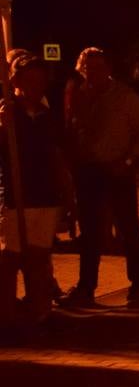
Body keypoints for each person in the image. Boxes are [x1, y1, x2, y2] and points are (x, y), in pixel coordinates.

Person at [62, 47, 139, 308]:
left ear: (108, 69)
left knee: (129, 231)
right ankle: (86, 288)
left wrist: (128, 161)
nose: (93, 73)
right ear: (81, 70)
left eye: (99, 68)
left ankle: (137, 289)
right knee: (89, 234)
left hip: (118, 171)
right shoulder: (77, 96)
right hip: (88, 172)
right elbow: (71, 129)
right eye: (88, 68)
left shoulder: (126, 98)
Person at [1, 51, 70, 330]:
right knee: (9, 258)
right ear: (15, 80)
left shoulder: (48, 116)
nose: (35, 84)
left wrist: (67, 196)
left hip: (45, 197)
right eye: (28, 78)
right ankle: (4, 312)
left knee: (39, 258)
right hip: (15, 197)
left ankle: (39, 309)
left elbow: (58, 156)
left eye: (40, 79)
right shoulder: (7, 113)